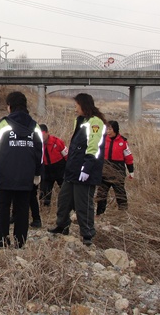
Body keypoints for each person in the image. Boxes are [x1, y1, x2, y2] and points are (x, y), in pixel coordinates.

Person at [0, 91, 43, 249]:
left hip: (5, 175)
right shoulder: (35, 126)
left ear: (10, 106)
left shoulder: (4, 124)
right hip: (26, 176)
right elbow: (40, 152)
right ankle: (20, 242)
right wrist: (37, 173)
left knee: (4, 207)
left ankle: (2, 241)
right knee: (23, 209)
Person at [48, 93, 106, 247]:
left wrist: (86, 168)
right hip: (72, 169)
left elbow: (94, 147)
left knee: (83, 204)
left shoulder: (95, 122)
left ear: (83, 105)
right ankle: (62, 226)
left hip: (85, 171)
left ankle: (87, 234)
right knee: (64, 199)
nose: (75, 109)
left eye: (76, 105)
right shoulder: (80, 121)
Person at [96, 120, 135, 215]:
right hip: (104, 171)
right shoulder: (102, 140)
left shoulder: (123, 141)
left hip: (118, 171)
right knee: (101, 194)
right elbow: (96, 154)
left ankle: (123, 213)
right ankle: (99, 214)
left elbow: (128, 157)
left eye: (110, 129)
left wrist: (131, 171)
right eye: (107, 129)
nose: (108, 131)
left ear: (115, 129)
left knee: (120, 193)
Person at [39, 124, 68, 207]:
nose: (41, 137)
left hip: (60, 168)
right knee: (44, 193)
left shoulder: (57, 142)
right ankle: (45, 208)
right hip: (46, 170)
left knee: (66, 191)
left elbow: (67, 156)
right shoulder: (38, 144)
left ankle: (67, 207)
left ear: (47, 133)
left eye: (42, 134)